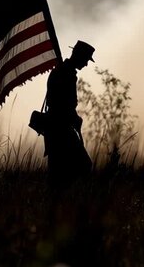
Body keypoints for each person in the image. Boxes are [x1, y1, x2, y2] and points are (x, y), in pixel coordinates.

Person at [44, 40, 94, 186]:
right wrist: (74, 117)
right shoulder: (65, 73)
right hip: (60, 128)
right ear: (78, 56)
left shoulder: (64, 71)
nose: (86, 64)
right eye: (85, 60)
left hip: (58, 127)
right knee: (83, 165)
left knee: (59, 173)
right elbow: (61, 104)